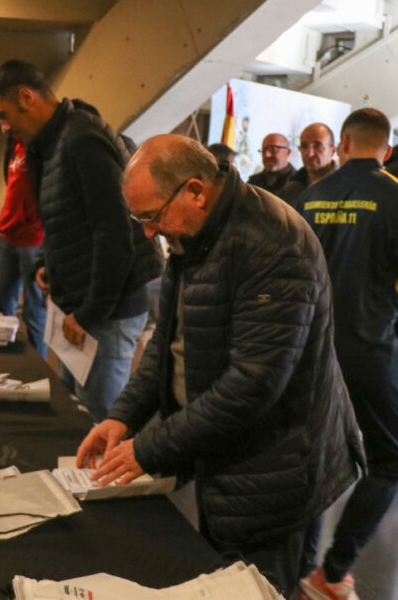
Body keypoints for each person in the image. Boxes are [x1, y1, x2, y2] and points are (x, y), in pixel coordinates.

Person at [76, 135, 364, 596]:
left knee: (257, 585)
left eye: (151, 216)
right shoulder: (194, 231)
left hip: (276, 466)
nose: (149, 232)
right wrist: (122, 414)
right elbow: (168, 344)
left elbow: (252, 385)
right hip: (228, 456)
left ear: (195, 190)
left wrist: (147, 449)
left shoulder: (274, 241)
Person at [0, 59, 162, 420]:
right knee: (76, 415)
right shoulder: (50, 145)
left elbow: (114, 233)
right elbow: (64, 221)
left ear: (27, 97)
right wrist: (45, 263)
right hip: (81, 307)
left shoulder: (82, 138)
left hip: (106, 311)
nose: (4, 128)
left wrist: (87, 314)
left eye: (4, 115)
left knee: (98, 423)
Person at [296, 108, 398, 600]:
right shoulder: (395, 196)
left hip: (312, 350)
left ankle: (298, 567)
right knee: (389, 461)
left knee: (316, 454)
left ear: (343, 142)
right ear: (388, 147)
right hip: (371, 349)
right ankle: (333, 573)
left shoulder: (310, 197)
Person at [0, 133, 47, 359]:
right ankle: (4, 360)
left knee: (34, 310)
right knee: (1, 301)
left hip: (33, 238)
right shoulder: (13, 144)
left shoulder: (40, 144)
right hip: (8, 234)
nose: (3, 126)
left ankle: (37, 371)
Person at [280, 123, 338, 206]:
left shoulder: (345, 188)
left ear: (332, 150)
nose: (309, 153)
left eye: (318, 146)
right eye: (304, 146)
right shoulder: (291, 190)